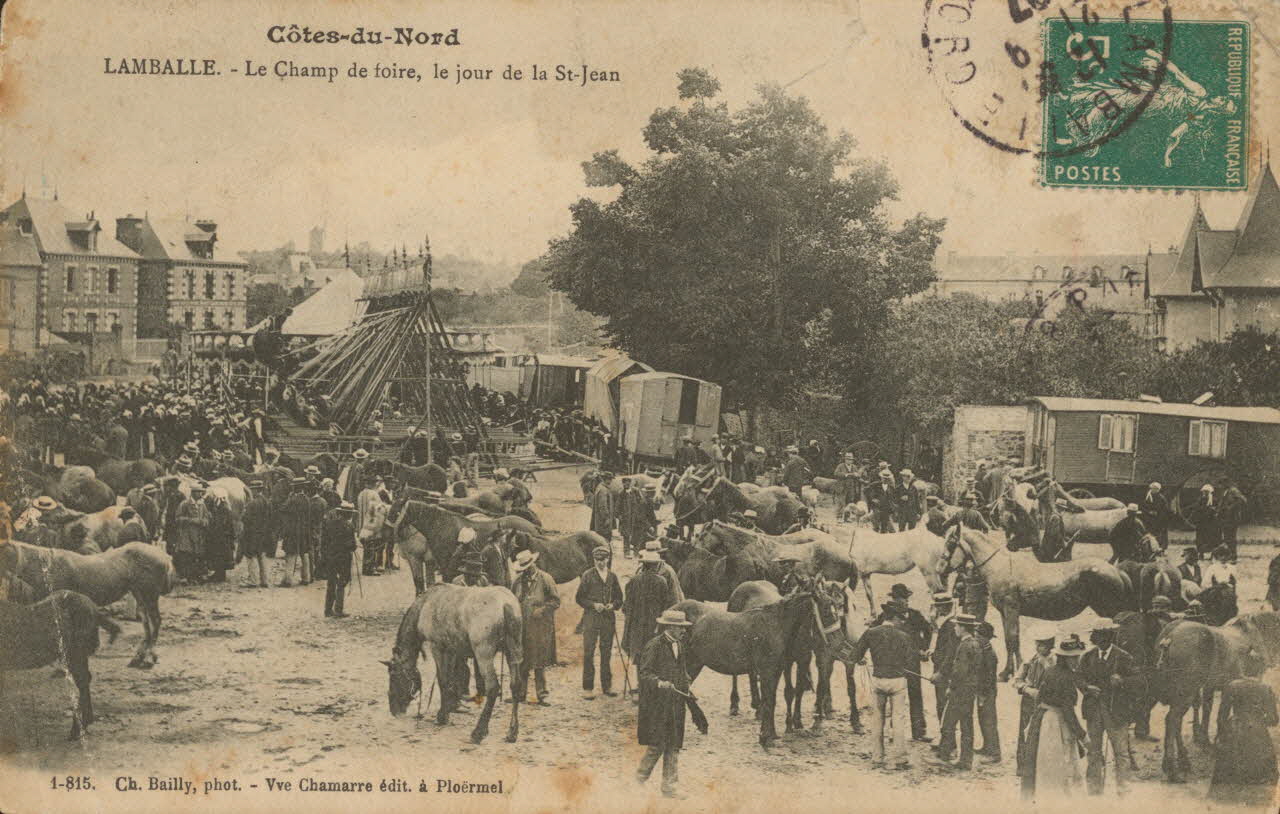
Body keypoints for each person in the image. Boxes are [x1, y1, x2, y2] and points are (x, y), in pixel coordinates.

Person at [636, 608, 704, 799]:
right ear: (670, 627)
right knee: (657, 744)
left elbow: (682, 670)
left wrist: (687, 681)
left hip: (676, 704)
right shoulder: (654, 645)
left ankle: (670, 788)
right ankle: (639, 779)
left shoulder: (680, 645)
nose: (684, 631)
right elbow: (644, 674)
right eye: (680, 627)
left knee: (674, 744)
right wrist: (659, 682)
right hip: (658, 704)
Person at [851, 603, 918, 770]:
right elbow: (911, 662)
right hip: (897, 681)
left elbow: (855, 655)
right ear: (894, 618)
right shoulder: (904, 636)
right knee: (898, 720)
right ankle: (900, 759)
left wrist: (861, 659)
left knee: (877, 719)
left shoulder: (871, 633)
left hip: (878, 680)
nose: (901, 622)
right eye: (900, 619)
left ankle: (877, 757)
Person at [1021, 634, 1088, 799]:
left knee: (1044, 760)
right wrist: (1083, 736)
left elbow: (1041, 696)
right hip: (1056, 722)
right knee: (1059, 761)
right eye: (1074, 658)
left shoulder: (1050, 671)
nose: (1077, 660)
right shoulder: (1065, 678)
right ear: (1066, 659)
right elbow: (1068, 712)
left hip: (1043, 718)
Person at [1209, 651, 1279, 805]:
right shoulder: (1266, 689)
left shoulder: (1231, 686)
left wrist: (1222, 735)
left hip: (1234, 733)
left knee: (1226, 784)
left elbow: (1221, 717)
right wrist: (1258, 719)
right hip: (1258, 736)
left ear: (1243, 668)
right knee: (1261, 785)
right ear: (1260, 670)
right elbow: (1274, 720)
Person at [1080, 623, 1138, 795]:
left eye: (1103, 636)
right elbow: (1079, 678)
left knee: (1121, 753)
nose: (1099, 640)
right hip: (1093, 712)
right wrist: (1087, 688)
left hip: (1117, 713)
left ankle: (1123, 791)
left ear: (1110, 637)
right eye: (1096, 636)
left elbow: (1138, 682)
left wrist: (1122, 681)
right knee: (1093, 752)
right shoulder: (1088, 656)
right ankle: (1094, 791)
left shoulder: (1124, 657)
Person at [873, 583, 932, 742]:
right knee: (894, 695)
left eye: (904, 598)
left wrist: (923, 648)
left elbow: (928, 630)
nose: (903, 601)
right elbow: (874, 632)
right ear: (894, 599)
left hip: (912, 660)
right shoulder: (886, 616)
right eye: (898, 598)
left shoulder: (915, 615)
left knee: (915, 694)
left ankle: (919, 731)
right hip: (894, 662)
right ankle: (894, 732)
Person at [623, 551, 678, 687]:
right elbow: (668, 606)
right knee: (654, 656)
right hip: (656, 626)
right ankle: (652, 686)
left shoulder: (633, 581)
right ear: (655, 565)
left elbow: (626, 607)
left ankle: (639, 686)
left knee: (639, 655)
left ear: (644, 565)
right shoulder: (662, 582)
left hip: (637, 626)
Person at [1014, 626, 1057, 797]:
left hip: (1044, 704)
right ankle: (1022, 766)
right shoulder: (1030, 660)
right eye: (1038, 645)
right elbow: (1017, 679)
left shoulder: (1054, 662)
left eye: (1043, 645)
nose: (1039, 648)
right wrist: (1025, 688)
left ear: (1050, 645)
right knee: (1023, 733)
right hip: (1028, 701)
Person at [512, 550, 559, 705]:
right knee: (522, 660)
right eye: (523, 570)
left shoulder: (546, 579)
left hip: (540, 628)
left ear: (533, 565)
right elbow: (512, 601)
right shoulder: (517, 582)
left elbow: (555, 601)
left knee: (539, 661)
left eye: (527, 569)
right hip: (522, 627)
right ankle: (520, 694)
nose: (525, 573)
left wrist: (543, 609)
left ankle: (542, 694)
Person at [576, 546, 622, 699]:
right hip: (591, 618)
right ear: (594, 560)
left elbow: (619, 598)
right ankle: (587, 688)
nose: (601, 563)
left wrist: (613, 605)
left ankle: (607, 686)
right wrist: (593, 605)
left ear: (608, 559)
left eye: (603, 560)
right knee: (589, 652)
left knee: (606, 652)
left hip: (608, 620)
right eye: (597, 560)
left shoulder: (613, 577)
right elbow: (579, 598)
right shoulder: (587, 576)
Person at [935, 613, 981, 769]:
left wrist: (950, 687)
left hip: (959, 691)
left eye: (956, 625)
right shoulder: (975, 644)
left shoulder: (963, 645)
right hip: (970, 690)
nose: (955, 628)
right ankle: (966, 760)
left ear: (963, 628)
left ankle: (944, 756)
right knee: (967, 726)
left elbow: (959, 671)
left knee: (948, 723)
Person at [319, 501, 357, 618]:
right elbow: (352, 545)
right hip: (344, 558)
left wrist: (324, 555)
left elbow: (324, 542)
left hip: (330, 557)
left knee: (331, 583)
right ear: (349, 514)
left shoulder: (329, 524)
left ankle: (328, 610)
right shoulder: (349, 526)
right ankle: (338, 609)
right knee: (342, 583)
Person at [930, 593, 959, 725]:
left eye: (938, 606)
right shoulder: (950, 622)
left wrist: (941, 672)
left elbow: (951, 651)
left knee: (943, 703)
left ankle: (946, 738)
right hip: (943, 667)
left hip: (944, 670)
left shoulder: (950, 624)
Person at [239, 479, 273, 588]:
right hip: (264, 533)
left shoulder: (252, 504)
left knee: (251, 557)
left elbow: (245, 519)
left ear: (255, 490)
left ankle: (253, 581)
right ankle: (265, 581)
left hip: (252, 534)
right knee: (262, 556)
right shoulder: (267, 502)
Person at [974, 621, 1001, 762]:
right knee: (982, 720)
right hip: (982, 691)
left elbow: (989, 677)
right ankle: (986, 746)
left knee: (989, 721)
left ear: (986, 637)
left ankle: (994, 753)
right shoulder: (983, 649)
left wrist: (983, 695)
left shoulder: (989, 654)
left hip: (987, 692)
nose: (976, 637)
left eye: (978, 635)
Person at [172, 483, 209, 582]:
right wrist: (191, 520)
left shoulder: (202, 505)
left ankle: (196, 575)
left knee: (197, 555)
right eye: (198, 492)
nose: (200, 494)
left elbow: (207, 518)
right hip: (186, 534)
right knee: (186, 555)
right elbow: (178, 518)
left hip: (199, 534)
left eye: (201, 492)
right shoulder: (184, 504)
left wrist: (203, 522)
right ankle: (185, 576)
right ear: (193, 493)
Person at [279, 478, 312, 587]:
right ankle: (306, 578)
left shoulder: (293, 499)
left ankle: (288, 580)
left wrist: (289, 498)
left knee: (291, 554)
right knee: (304, 554)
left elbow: (283, 509)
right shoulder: (307, 499)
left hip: (293, 530)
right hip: (304, 530)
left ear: (296, 487)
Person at [619, 477, 658, 558]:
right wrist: (620, 516)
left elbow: (642, 504)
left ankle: (637, 552)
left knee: (638, 536)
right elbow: (618, 506)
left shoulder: (636, 492)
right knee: (627, 535)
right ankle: (628, 552)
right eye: (625, 483)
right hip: (627, 518)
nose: (627, 484)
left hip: (635, 517)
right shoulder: (622, 493)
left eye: (628, 482)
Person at [204, 488, 236, 583]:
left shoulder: (223, 509)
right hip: (224, 537)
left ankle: (220, 575)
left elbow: (220, 524)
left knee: (220, 555)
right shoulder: (225, 507)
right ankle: (219, 574)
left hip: (222, 537)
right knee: (221, 556)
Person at [1219, 481, 1247, 562]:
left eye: (1223, 483)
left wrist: (1231, 507)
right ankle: (1229, 554)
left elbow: (1242, 500)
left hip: (1232, 518)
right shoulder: (1226, 492)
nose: (1222, 485)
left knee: (1231, 537)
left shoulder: (1234, 491)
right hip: (1225, 518)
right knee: (1227, 537)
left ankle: (1233, 555)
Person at [1190, 483, 1220, 559]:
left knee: (1211, 538)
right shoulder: (1200, 499)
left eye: (1207, 492)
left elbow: (1218, 509)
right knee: (1201, 538)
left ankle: (1212, 554)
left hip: (1211, 522)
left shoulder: (1214, 500)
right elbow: (1196, 509)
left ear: (1210, 492)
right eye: (1204, 491)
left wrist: (1213, 510)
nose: (1205, 493)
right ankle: (1201, 553)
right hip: (1202, 522)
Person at [1140, 482, 1171, 553]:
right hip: (1150, 519)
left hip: (1159, 519)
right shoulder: (1147, 497)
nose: (1154, 490)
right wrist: (1149, 512)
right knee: (1151, 534)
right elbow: (1143, 507)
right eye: (1153, 489)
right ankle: (1152, 548)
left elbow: (1165, 510)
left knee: (1160, 534)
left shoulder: (1161, 498)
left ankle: (1162, 549)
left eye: (1155, 489)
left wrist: (1158, 515)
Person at [865, 469, 898, 534]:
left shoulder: (891, 488)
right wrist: (872, 499)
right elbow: (865, 490)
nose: (885, 480)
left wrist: (893, 507)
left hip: (886, 509)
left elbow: (894, 498)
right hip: (876, 508)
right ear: (881, 478)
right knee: (876, 525)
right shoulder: (875, 485)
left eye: (887, 478)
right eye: (884, 478)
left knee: (884, 527)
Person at [590, 471, 616, 542]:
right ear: (605, 479)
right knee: (604, 541)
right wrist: (606, 518)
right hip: (603, 523)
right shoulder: (603, 490)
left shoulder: (601, 488)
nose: (611, 481)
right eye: (609, 479)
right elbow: (603, 506)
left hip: (601, 522)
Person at [1267, 546, 1280, 611]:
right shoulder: (1276, 560)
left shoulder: (1275, 559)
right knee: (1275, 602)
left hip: (1275, 583)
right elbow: (1272, 571)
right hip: (1276, 584)